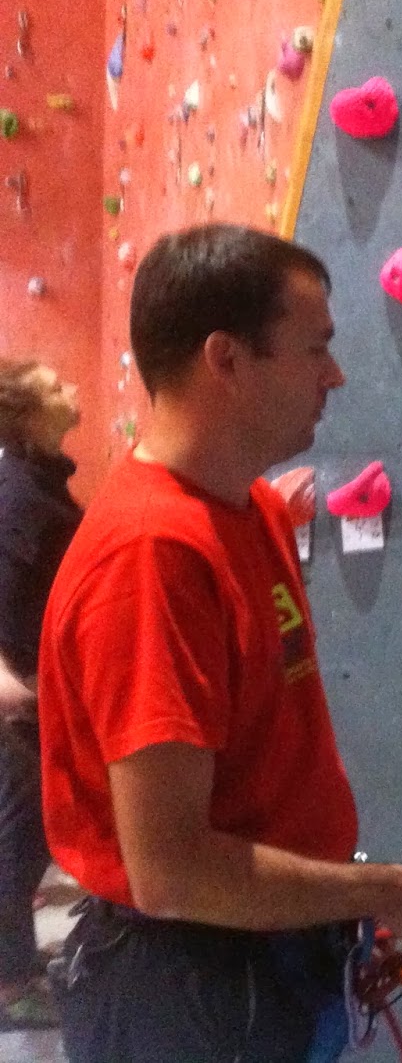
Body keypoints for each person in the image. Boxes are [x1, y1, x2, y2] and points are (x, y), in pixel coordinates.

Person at [37, 224, 402, 1061]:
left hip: (263, 961)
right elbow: (171, 871)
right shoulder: (151, 557)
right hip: (192, 987)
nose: (336, 374)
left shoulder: (248, 510)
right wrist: (387, 888)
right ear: (226, 359)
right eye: (314, 348)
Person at [0, 359, 82, 1029]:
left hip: (39, 694)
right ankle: (10, 983)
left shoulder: (39, 483)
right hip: (20, 703)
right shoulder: (20, 496)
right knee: (19, 840)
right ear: (26, 415)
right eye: (54, 386)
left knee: (26, 834)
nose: (70, 387)